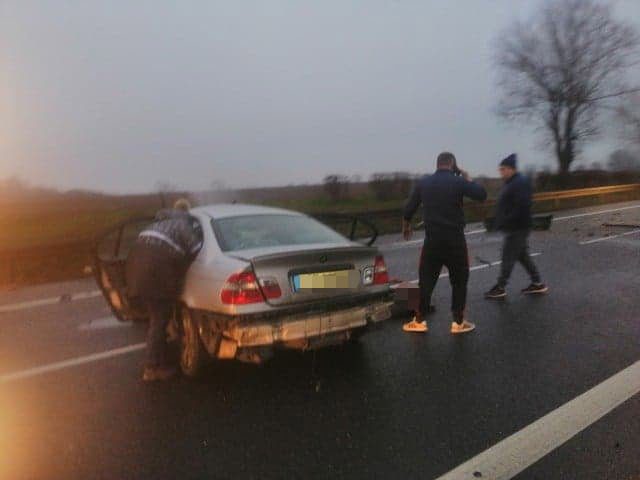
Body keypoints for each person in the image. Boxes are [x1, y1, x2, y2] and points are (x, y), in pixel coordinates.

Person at [402, 152, 487, 334]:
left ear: (437, 164)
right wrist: (467, 177)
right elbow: (481, 195)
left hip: (432, 241)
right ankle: (458, 322)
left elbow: (409, 208)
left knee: (425, 281)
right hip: (455, 241)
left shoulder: (424, 182)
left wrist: (406, 225)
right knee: (459, 281)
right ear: (452, 164)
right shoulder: (458, 182)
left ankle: (419, 321)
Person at [126, 198, 203, 381]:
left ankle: (159, 359)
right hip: (158, 272)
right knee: (159, 319)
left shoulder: (156, 225)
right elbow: (197, 250)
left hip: (136, 271)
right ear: (186, 212)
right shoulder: (183, 224)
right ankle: (152, 368)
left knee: (156, 319)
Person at [484, 154, 548, 299]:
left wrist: (506, 220)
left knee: (507, 257)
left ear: (511, 169)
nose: (500, 172)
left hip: (517, 227)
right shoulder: (512, 182)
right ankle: (537, 283)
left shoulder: (520, 183)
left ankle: (500, 287)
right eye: (500, 169)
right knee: (523, 256)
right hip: (515, 226)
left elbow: (522, 206)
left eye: (503, 169)